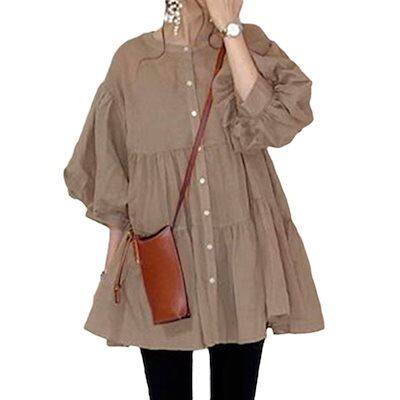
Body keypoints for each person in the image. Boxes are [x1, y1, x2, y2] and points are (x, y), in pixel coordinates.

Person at [63, 0, 324, 398]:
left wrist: (231, 29)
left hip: (239, 258)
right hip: (164, 261)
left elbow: (274, 122)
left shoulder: (247, 43)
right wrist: (112, 273)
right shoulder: (131, 62)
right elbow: (113, 170)